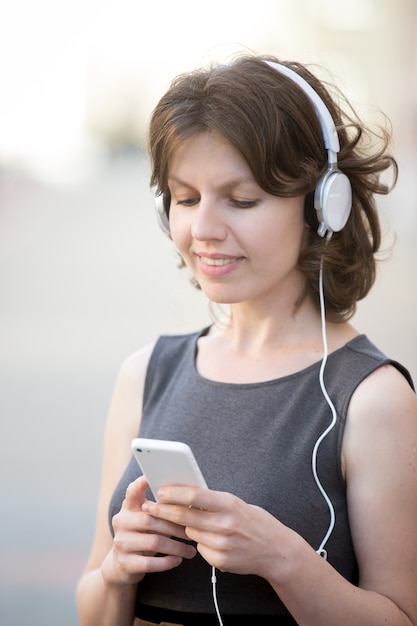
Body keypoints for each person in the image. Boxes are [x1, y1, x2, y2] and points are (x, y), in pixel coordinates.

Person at [76, 54, 417, 626]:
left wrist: (281, 558)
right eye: (185, 198)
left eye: (241, 200)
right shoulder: (145, 372)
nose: (203, 229)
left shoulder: (373, 399)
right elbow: (92, 609)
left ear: (320, 206)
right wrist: (117, 570)